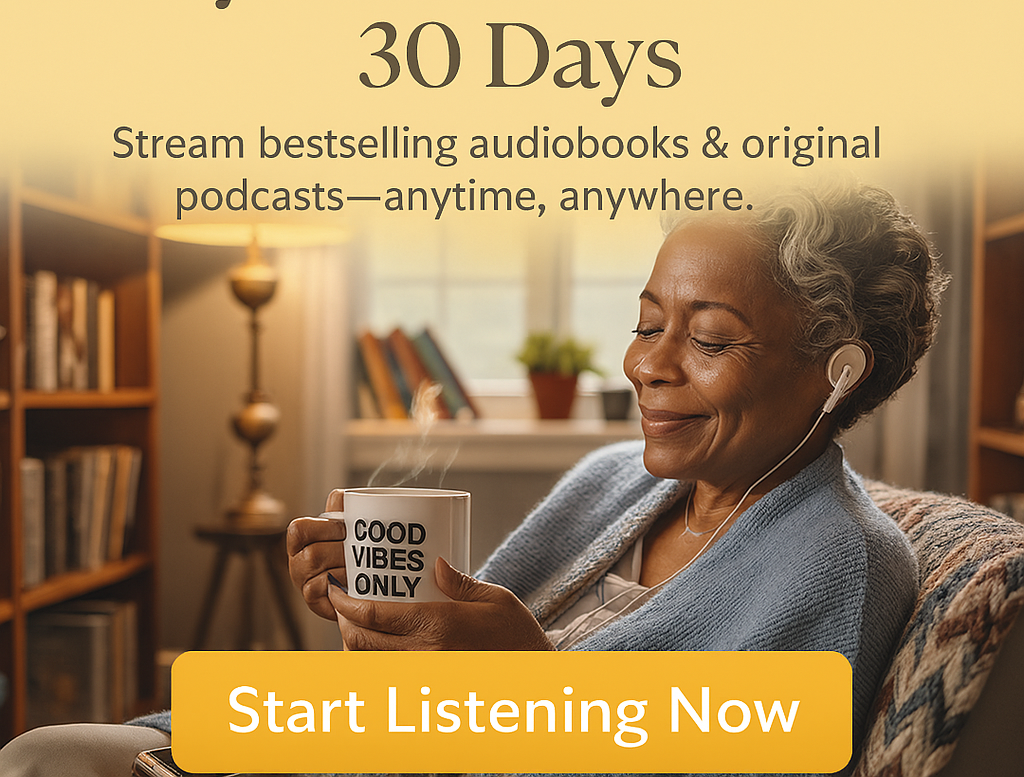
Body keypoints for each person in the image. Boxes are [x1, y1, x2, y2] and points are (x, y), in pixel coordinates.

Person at [0, 183, 942, 777]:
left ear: (839, 372)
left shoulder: (838, 564)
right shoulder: (612, 478)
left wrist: (527, 688)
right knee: (43, 753)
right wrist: (386, 627)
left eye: (707, 339)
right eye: (647, 321)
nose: (648, 365)